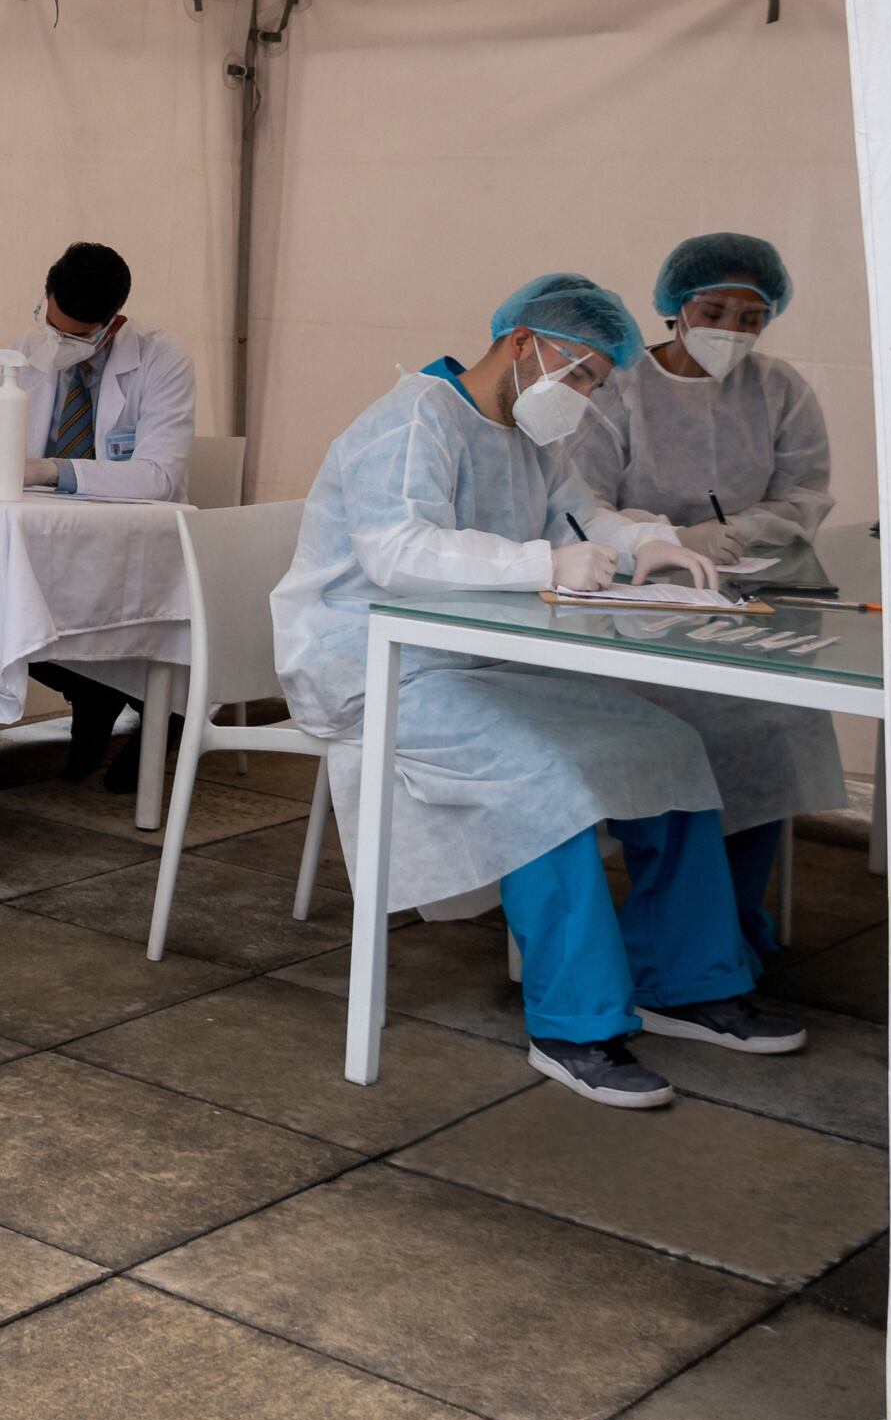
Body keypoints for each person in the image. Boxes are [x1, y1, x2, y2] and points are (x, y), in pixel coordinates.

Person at [269, 270, 805, 1108]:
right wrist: (538, 564)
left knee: (669, 742)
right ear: (522, 343)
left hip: (481, 654)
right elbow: (396, 552)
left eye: (596, 382)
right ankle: (576, 1026)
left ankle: (685, 979)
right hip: (378, 665)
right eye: (580, 373)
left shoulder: (525, 432)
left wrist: (646, 544)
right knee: (547, 774)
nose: (583, 395)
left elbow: (582, 515)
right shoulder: (412, 420)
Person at [574, 229, 850, 962]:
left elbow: (804, 495)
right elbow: (581, 500)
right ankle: (689, 941)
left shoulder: (780, 390)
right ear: (674, 306)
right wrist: (666, 538)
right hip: (631, 604)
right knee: (674, 732)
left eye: (750, 316)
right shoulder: (618, 390)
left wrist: (734, 534)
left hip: (750, 589)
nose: (731, 329)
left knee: (776, 724)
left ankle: (726, 924)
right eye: (715, 309)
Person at [12, 239, 201, 791]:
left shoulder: (164, 359)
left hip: (133, 542)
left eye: (73, 335)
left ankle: (159, 711)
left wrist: (54, 470)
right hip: (48, 534)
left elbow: (159, 477)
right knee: (2, 610)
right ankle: (92, 691)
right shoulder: (28, 351)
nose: (58, 342)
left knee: (77, 606)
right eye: (52, 324)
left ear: (112, 325)